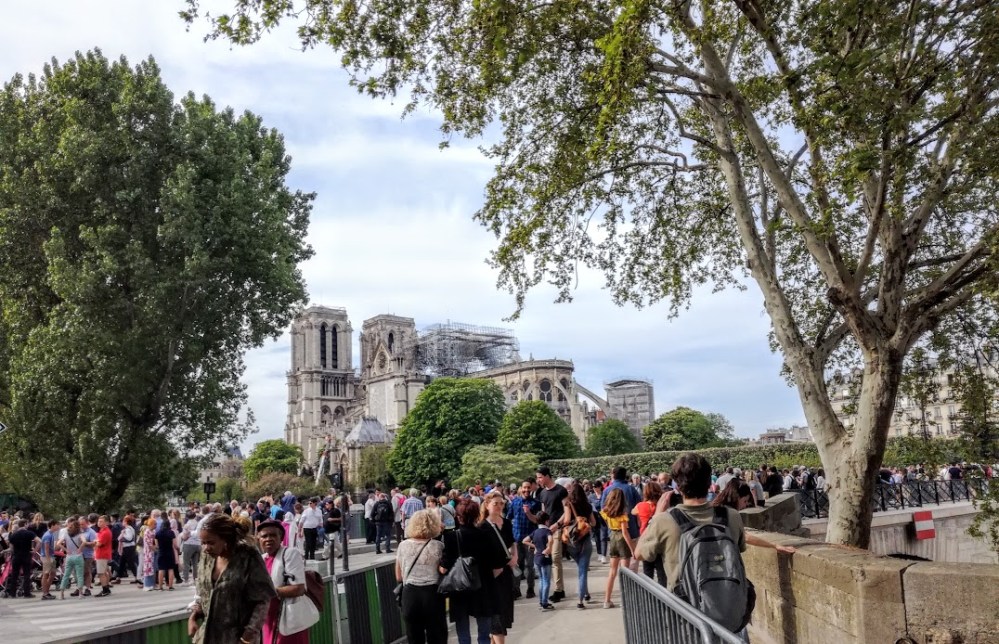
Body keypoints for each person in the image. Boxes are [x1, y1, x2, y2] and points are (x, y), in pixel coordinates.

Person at [189, 513, 276, 644]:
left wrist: (247, 637)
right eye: (203, 543)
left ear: (226, 539)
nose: (206, 548)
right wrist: (193, 617)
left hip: (238, 638)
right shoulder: (206, 557)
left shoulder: (248, 556)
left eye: (211, 543)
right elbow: (204, 594)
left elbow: (262, 601)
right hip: (206, 637)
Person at [441, 499, 493, 644]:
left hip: (459, 586)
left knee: (463, 632)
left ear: (458, 516)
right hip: (482, 584)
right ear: (477, 515)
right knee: (484, 632)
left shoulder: (451, 537)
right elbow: (492, 560)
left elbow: (445, 565)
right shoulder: (485, 534)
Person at [395, 509, 447, 644]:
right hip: (432, 595)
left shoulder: (403, 546)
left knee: (414, 637)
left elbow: (399, 577)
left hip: (410, 595)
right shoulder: (438, 546)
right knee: (437, 636)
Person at [257, 520, 313, 644]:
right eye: (264, 536)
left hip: (288, 620)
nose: (268, 539)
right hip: (268, 621)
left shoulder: (290, 554)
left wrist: (267, 591)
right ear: (258, 539)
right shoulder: (261, 560)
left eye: (273, 535)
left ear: (281, 538)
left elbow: (299, 588)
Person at [479, 491, 517, 644]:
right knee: (497, 614)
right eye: (496, 503)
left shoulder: (506, 522)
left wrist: (515, 556)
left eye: (502, 503)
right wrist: (493, 568)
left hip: (506, 573)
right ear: (487, 505)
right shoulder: (482, 527)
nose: (499, 506)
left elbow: (512, 542)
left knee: (504, 611)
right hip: (492, 575)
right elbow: (480, 553)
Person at [528, 467, 567, 603]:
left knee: (555, 558)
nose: (538, 480)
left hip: (557, 529)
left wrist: (557, 524)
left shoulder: (561, 491)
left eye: (539, 477)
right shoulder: (543, 493)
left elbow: (566, 510)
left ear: (547, 476)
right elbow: (543, 512)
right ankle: (558, 588)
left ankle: (558, 589)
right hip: (546, 530)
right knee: (549, 558)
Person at [561, 481, 596, 609]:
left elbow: (566, 520)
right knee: (583, 570)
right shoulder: (587, 506)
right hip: (585, 541)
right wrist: (584, 525)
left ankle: (585, 594)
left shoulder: (568, 504)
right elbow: (593, 522)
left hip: (572, 541)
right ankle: (581, 598)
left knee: (581, 569)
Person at [599, 488, 635, 609]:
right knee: (625, 572)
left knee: (612, 572)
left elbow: (604, 518)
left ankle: (607, 600)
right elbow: (625, 532)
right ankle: (624, 600)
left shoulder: (606, 511)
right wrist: (632, 549)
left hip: (612, 537)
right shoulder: (623, 514)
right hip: (621, 538)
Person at [506, 480, 539, 600]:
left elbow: (537, 521)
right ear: (521, 488)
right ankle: (516, 589)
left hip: (529, 539)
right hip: (516, 538)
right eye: (524, 488)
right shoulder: (515, 502)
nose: (526, 490)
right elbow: (508, 518)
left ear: (532, 489)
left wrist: (528, 512)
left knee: (530, 565)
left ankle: (530, 588)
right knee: (516, 564)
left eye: (529, 488)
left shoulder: (536, 503)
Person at [522, 512, 554, 610]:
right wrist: (549, 547)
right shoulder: (547, 531)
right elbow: (551, 539)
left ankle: (541, 601)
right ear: (547, 521)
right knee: (546, 581)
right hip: (545, 557)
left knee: (541, 580)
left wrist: (535, 546)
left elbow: (524, 540)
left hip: (537, 557)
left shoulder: (535, 532)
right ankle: (544, 602)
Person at [4, 519, 38, 598]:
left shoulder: (13, 535)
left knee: (14, 575)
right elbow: (39, 541)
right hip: (26, 555)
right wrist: (34, 551)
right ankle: (27, 593)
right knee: (26, 574)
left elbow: (11, 548)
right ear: (25, 524)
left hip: (16, 556)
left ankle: (12, 593)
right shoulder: (29, 533)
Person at [58, 519, 87, 600]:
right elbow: (84, 542)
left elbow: (58, 543)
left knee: (66, 575)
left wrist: (66, 550)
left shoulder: (66, 534)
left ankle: (61, 593)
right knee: (79, 575)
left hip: (69, 556)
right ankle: (80, 593)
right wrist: (80, 548)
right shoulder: (80, 534)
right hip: (78, 556)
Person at [156, 515, 180, 590]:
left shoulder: (158, 533)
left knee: (161, 569)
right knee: (170, 569)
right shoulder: (171, 533)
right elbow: (175, 544)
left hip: (161, 552)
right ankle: (170, 586)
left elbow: (156, 545)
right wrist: (178, 549)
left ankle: (160, 586)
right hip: (170, 552)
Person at [40, 519, 61, 599]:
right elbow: (46, 548)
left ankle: (47, 591)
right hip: (46, 557)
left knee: (52, 574)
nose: (58, 526)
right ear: (52, 525)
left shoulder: (51, 534)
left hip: (51, 556)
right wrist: (49, 559)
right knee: (46, 574)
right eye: (57, 525)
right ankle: (45, 593)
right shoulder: (47, 535)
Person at [94, 515, 114, 597]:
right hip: (101, 554)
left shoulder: (105, 532)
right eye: (99, 521)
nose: (99, 523)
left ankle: (105, 589)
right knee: (104, 572)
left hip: (102, 554)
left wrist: (95, 541)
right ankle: (106, 588)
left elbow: (99, 543)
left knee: (101, 573)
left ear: (106, 522)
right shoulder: (102, 531)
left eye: (101, 521)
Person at [181, 511, 202, 585]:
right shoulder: (198, 523)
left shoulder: (187, 525)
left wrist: (182, 538)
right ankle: (195, 578)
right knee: (195, 563)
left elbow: (185, 536)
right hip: (198, 544)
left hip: (188, 544)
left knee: (186, 562)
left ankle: (186, 579)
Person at [118, 515, 139, 584]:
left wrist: (123, 535)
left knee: (130, 563)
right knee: (122, 562)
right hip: (127, 547)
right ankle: (118, 577)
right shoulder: (129, 528)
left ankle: (137, 577)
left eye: (124, 521)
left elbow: (129, 538)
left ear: (126, 522)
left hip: (128, 547)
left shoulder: (128, 529)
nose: (122, 522)